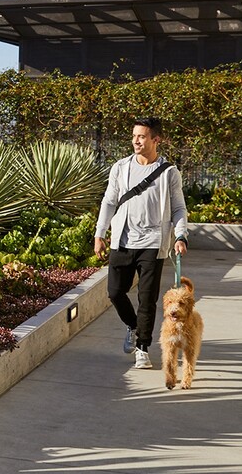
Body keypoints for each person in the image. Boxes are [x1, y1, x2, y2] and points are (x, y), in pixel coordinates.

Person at [94, 117, 188, 369]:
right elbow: (109, 201)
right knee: (115, 292)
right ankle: (133, 326)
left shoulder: (169, 173)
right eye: (134, 135)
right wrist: (99, 233)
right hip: (123, 240)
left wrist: (180, 236)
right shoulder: (121, 168)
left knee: (147, 300)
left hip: (152, 244)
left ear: (156, 139)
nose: (136, 140)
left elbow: (179, 208)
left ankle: (142, 349)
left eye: (142, 136)